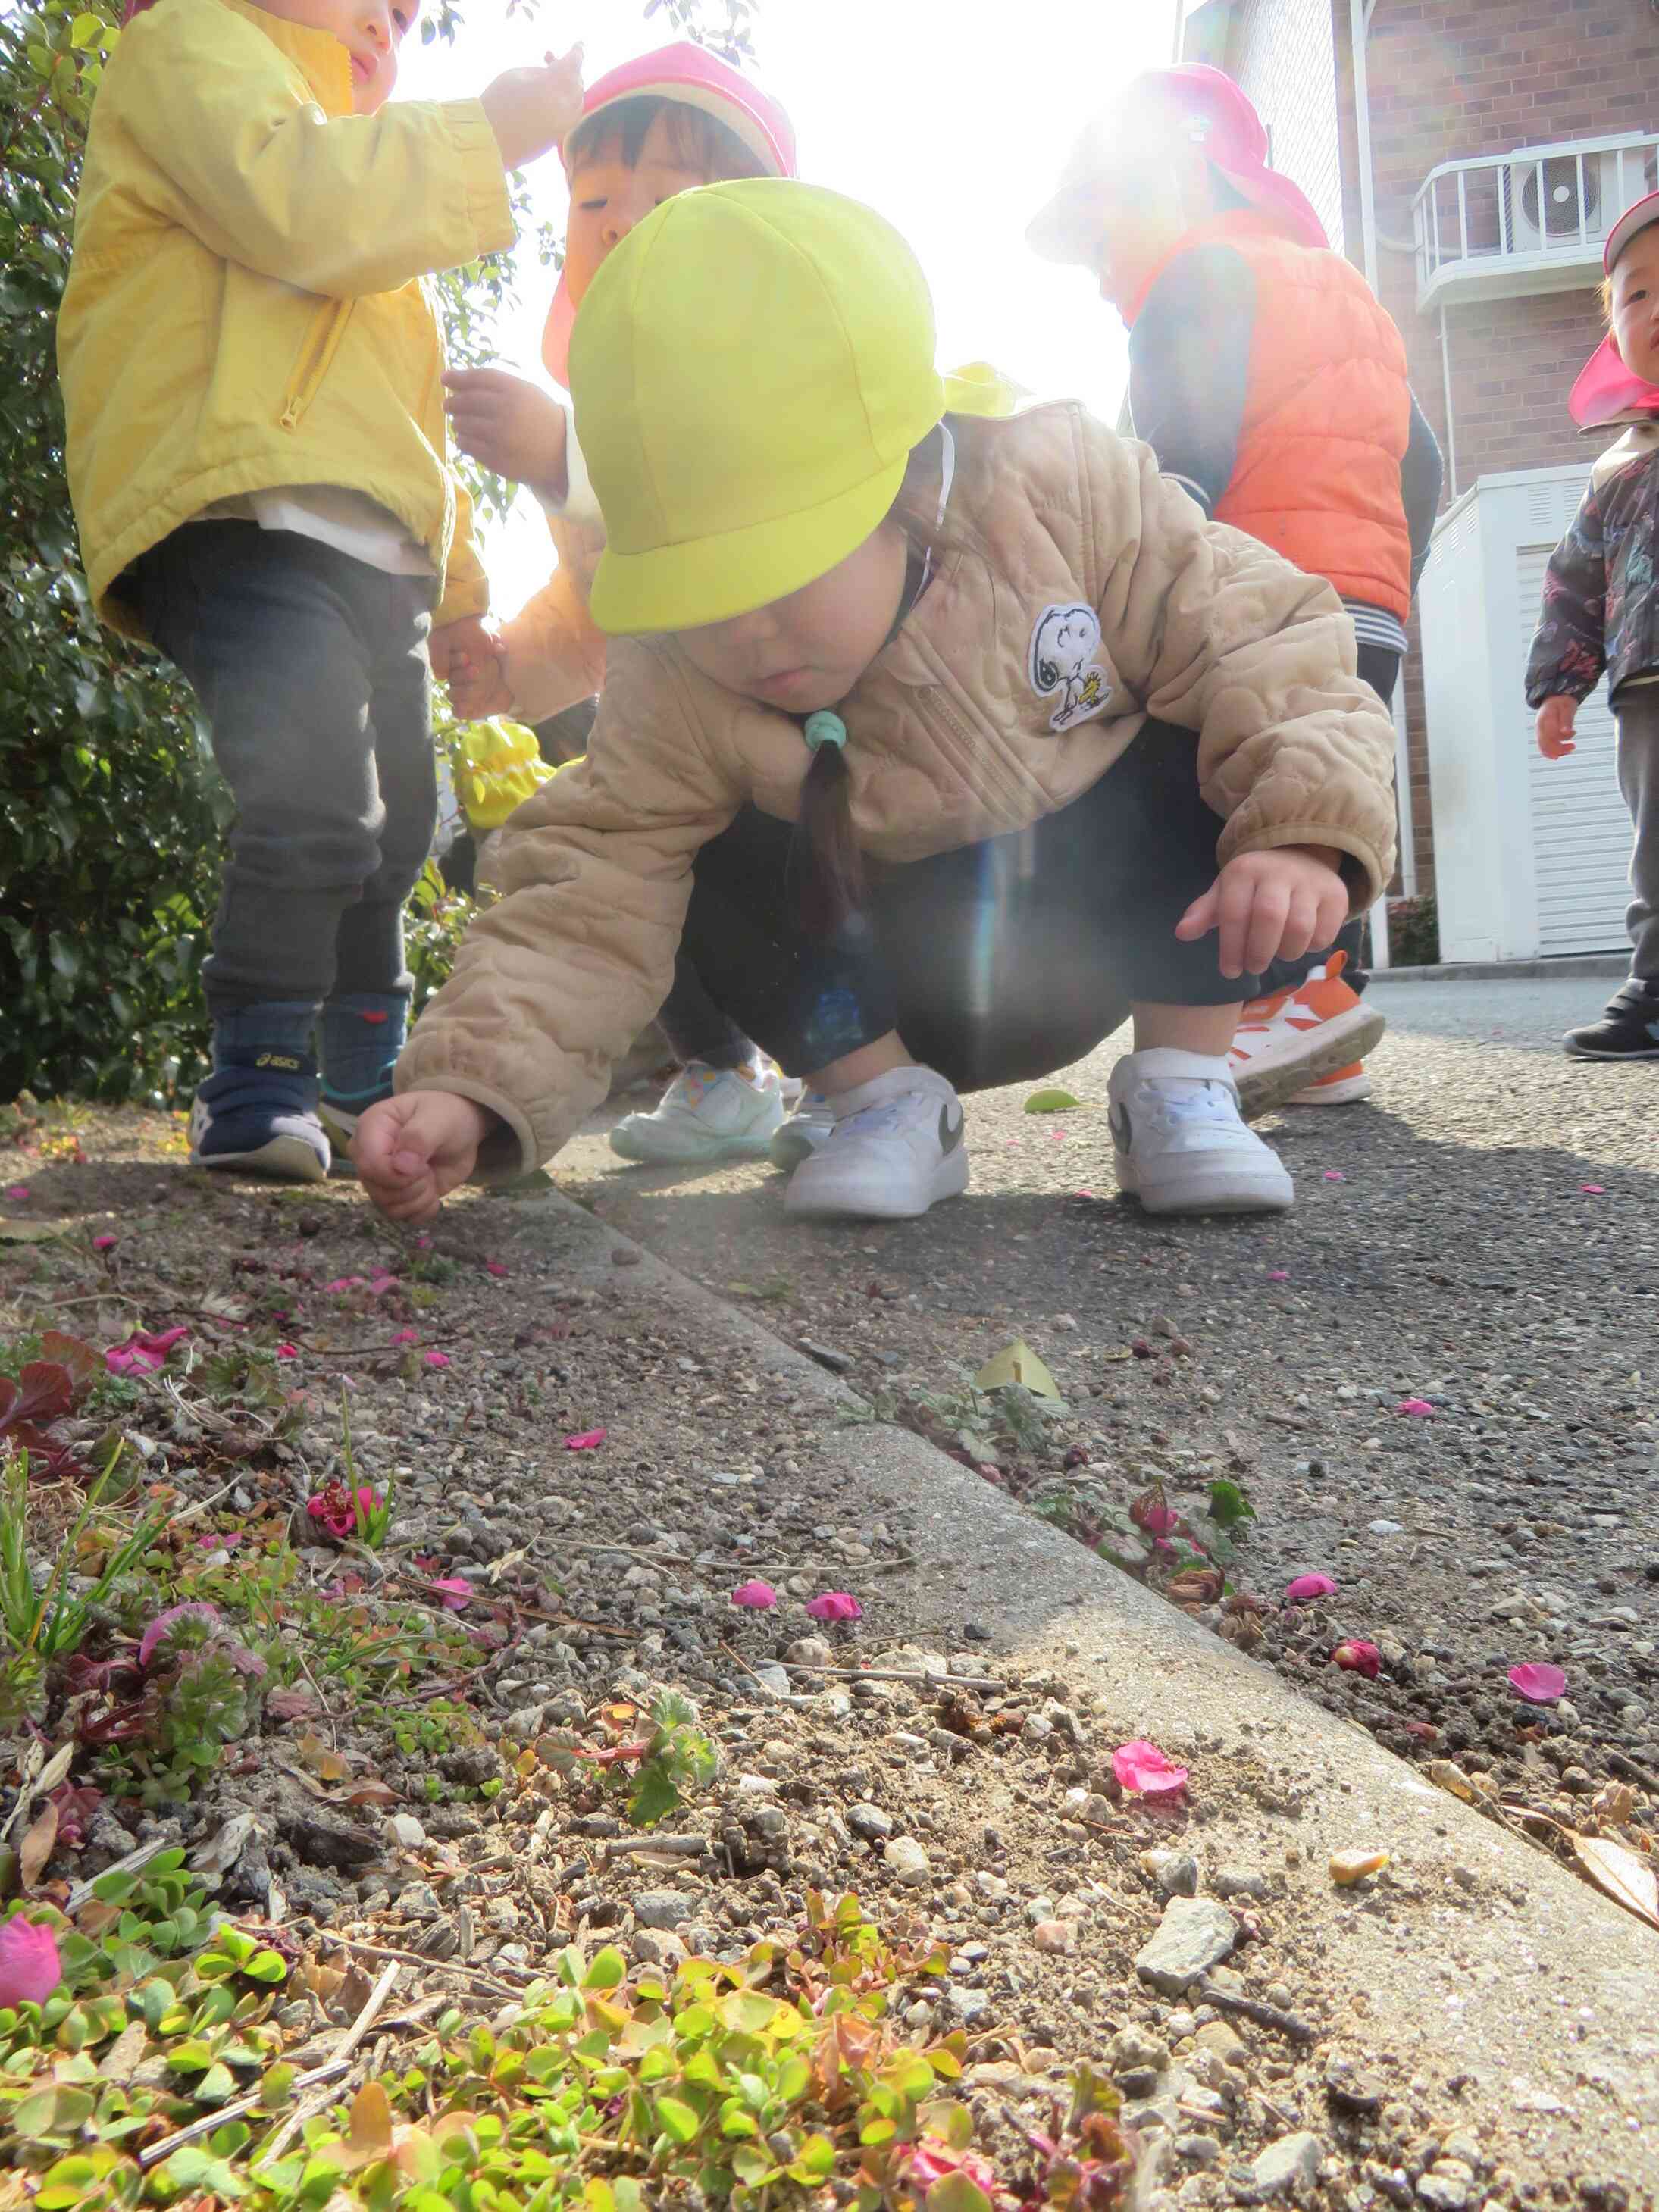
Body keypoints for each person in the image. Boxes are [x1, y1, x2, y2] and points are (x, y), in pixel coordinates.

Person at [354, 181, 1398, 1231]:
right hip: (886, 989)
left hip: (1111, 928)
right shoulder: (674, 675)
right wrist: (472, 1086)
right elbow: (585, 889)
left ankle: (1182, 1081)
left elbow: (1263, 630)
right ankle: (886, 1107)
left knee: (1201, 705)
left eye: (780, 575)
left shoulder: (1053, 491)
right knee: (681, 842)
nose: (747, 634)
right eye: (704, 597)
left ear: (903, 483)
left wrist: (1303, 834)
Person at [56, 0, 584, 1182]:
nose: (389, 24)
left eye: (406, 15)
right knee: (310, 793)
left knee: (401, 819)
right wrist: (486, 132)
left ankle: (361, 1074)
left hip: (373, 552)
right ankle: (256, 1075)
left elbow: (406, 422)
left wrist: (458, 593)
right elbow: (290, 196)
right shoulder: (190, 45)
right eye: (373, 0)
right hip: (237, 512)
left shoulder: (369, 167)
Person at [1027, 64, 1442, 1110]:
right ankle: (1322, 1021)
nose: (1098, 271)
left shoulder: (1199, 278)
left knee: (1229, 796)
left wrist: (1133, 596)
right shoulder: (1342, 294)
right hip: (1366, 598)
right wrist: (1391, 586)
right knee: (1320, 797)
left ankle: (1277, 1008)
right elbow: (1421, 459)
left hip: (1253, 599)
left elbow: (1183, 462)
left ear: (1171, 182)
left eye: (1099, 233)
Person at [440, 45, 810, 1169]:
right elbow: (591, 607)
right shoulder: (600, 384)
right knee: (595, 820)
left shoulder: (777, 343)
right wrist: (511, 668)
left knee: (800, 856)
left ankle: (856, 1069)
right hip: (684, 729)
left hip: (813, 716)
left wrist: (565, 451)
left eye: (665, 197)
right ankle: (720, 1068)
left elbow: (738, 474)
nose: (617, 220)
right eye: (594, 198)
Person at [1526, 189, 1659, 1061]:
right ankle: (1654, 989)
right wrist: (1557, 685)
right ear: (1610, 326)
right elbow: (1572, 585)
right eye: (1636, 292)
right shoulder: (1618, 467)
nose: (1654, 306)